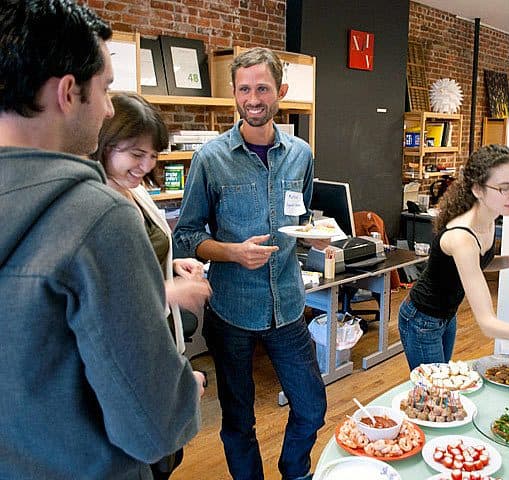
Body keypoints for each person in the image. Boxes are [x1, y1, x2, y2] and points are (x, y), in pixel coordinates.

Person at [0, 2, 203, 479]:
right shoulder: (98, 216)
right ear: (69, 92)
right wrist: (185, 393)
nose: (110, 107)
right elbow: (155, 427)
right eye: (106, 88)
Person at [173, 47, 327, 480]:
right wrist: (233, 252)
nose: (253, 98)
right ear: (234, 93)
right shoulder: (211, 158)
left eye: (262, 88)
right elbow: (187, 236)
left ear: (281, 91)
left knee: (312, 406)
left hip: (289, 305)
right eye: (244, 89)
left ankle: (295, 472)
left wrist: (315, 236)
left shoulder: (301, 153)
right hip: (232, 309)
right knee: (239, 420)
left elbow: (302, 216)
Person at [91, 93, 212, 479]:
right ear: (105, 144)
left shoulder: (134, 187)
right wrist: (172, 291)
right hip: (134, 351)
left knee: (167, 453)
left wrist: (171, 259)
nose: (145, 165)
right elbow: (102, 295)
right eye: (135, 154)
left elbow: (146, 247)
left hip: (162, 336)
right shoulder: (95, 203)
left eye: (153, 155)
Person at [398, 144, 509, 370]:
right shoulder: (462, 238)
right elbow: (488, 325)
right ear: (478, 189)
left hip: (446, 316)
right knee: (434, 389)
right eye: (504, 188)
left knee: (440, 384)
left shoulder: (489, 217)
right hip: (421, 319)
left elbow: (476, 265)